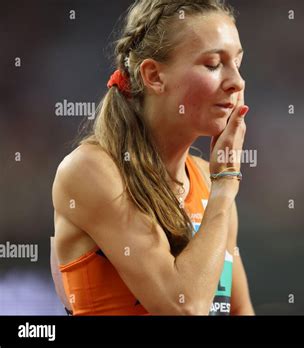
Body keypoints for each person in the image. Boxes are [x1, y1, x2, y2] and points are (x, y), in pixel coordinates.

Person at [50, 0, 254, 315]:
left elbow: (239, 311)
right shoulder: (91, 171)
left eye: (238, 63)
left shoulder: (207, 179)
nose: (236, 82)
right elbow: (183, 307)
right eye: (213, 64)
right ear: (154, 76)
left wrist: (221, 188)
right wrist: (225, 187)